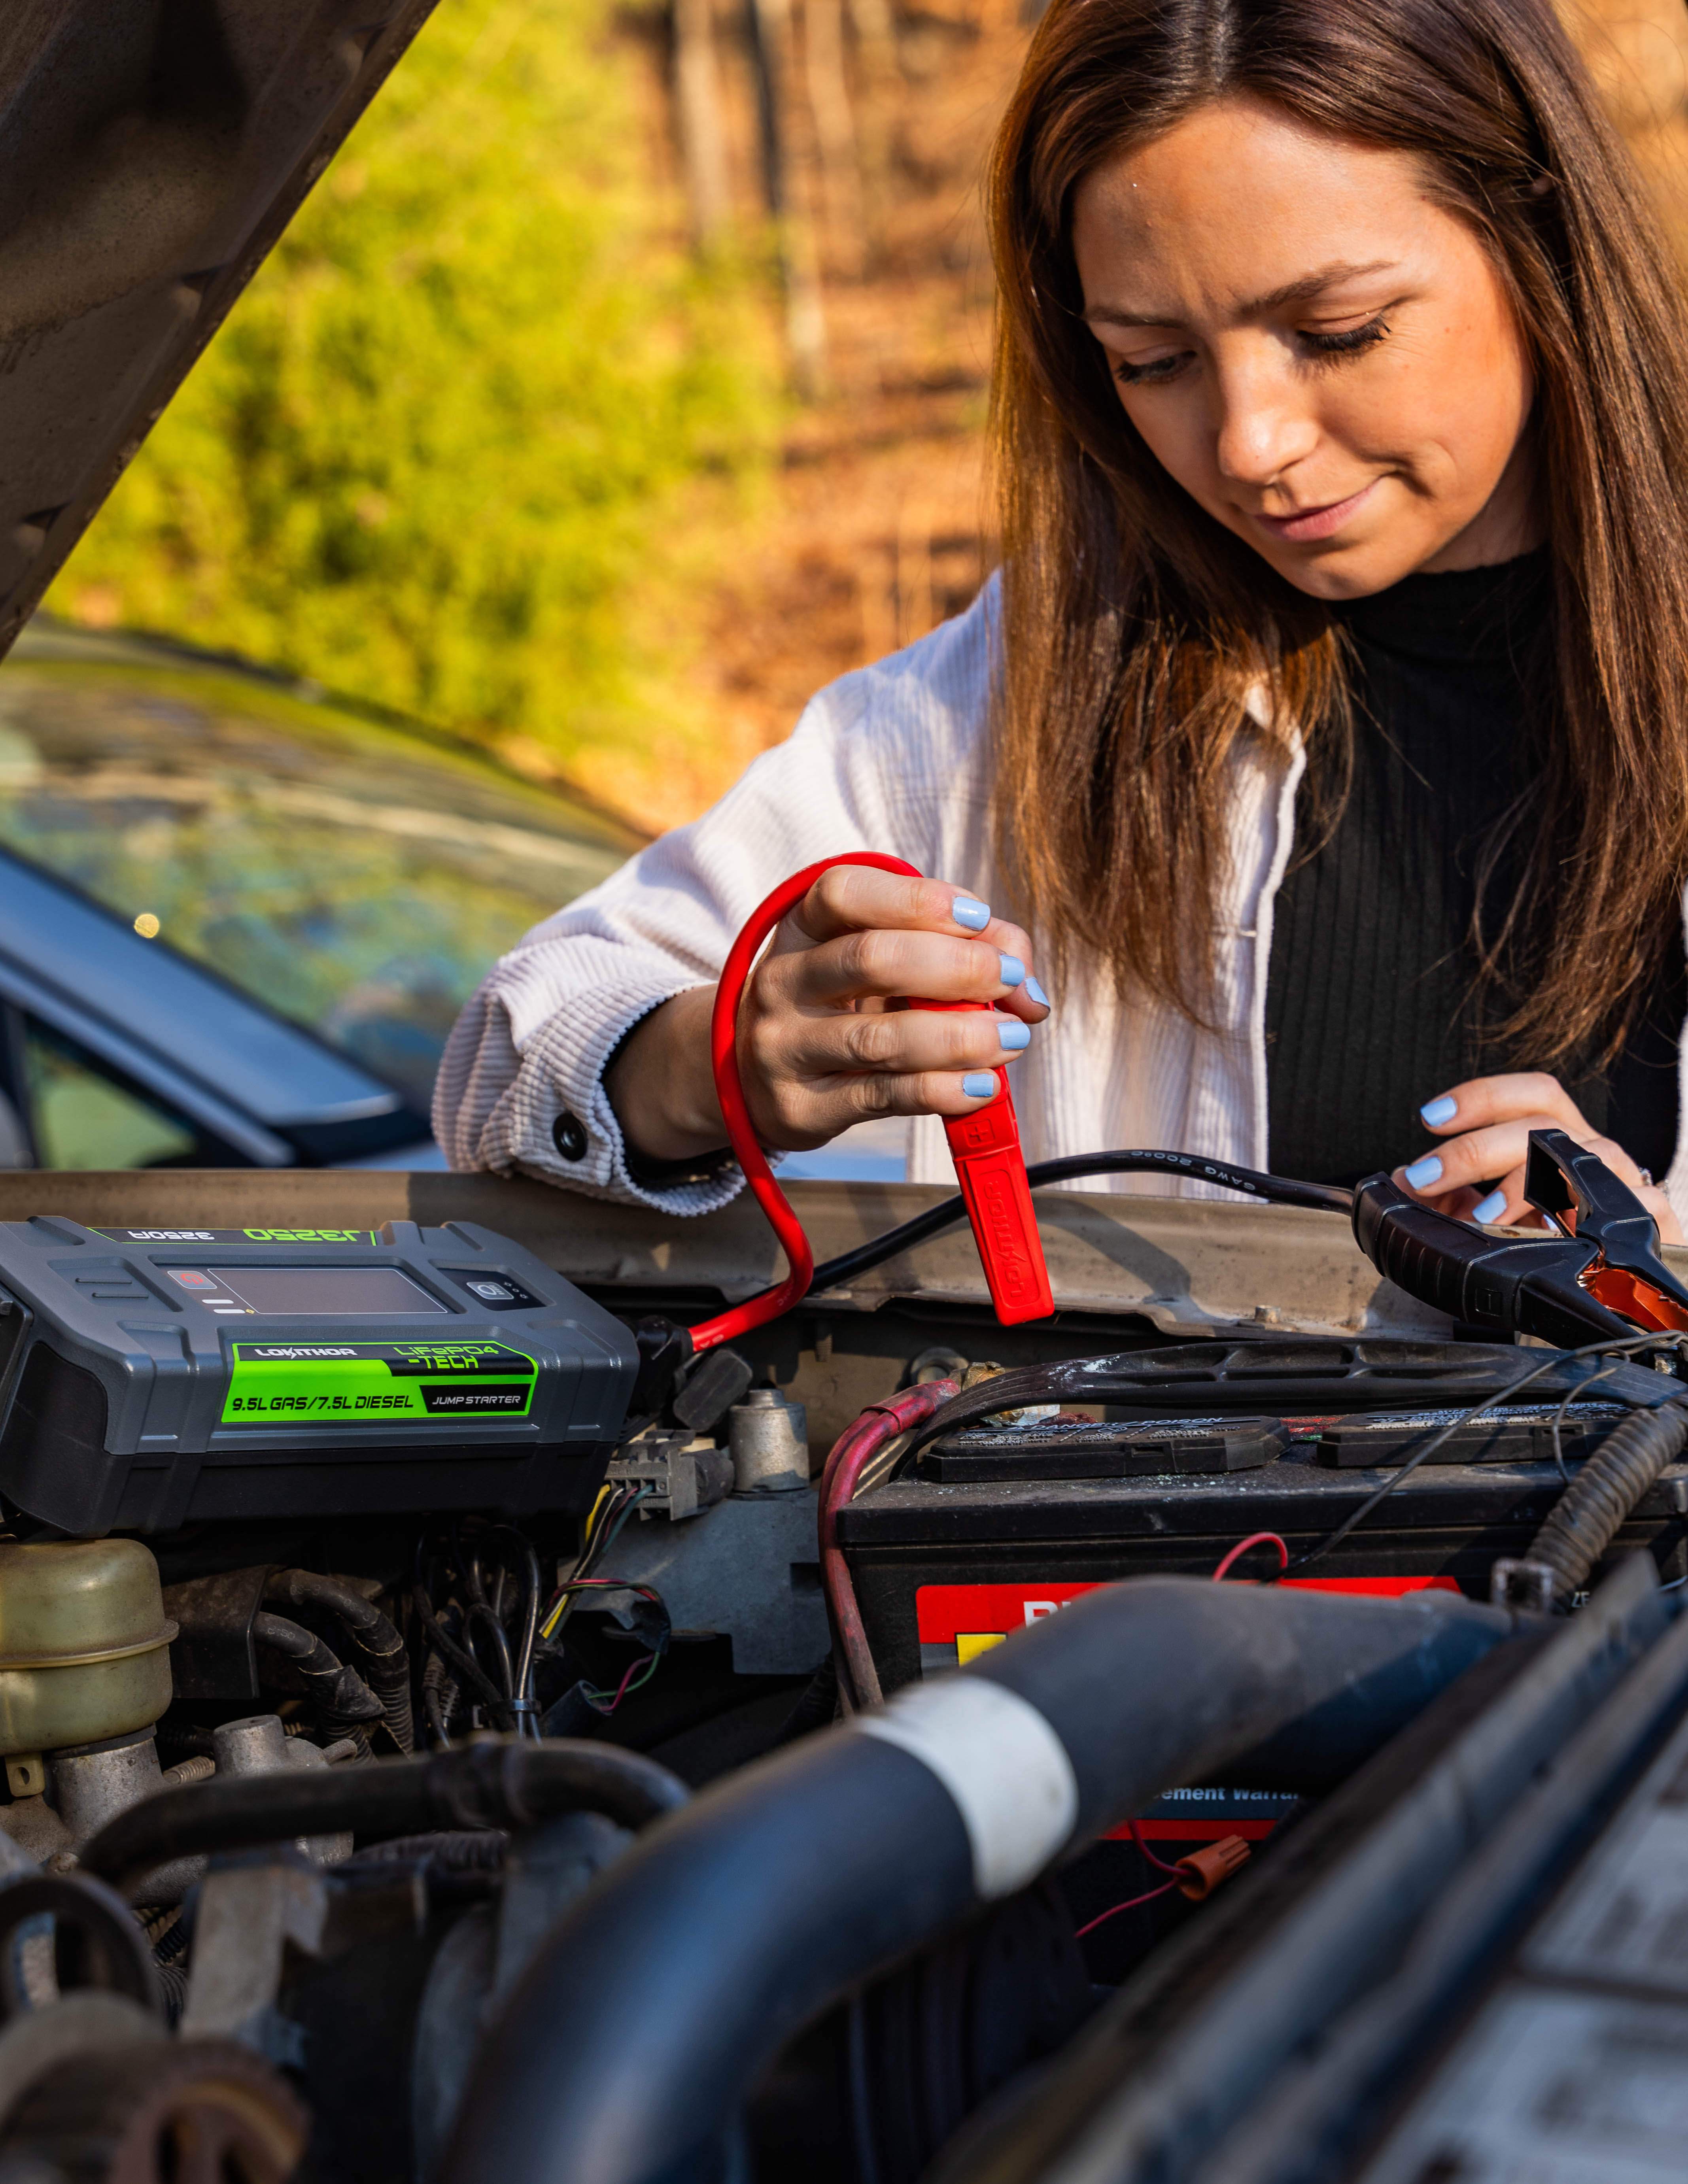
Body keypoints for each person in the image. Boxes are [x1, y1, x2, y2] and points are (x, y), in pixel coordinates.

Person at [436, 0, 1688, 1244]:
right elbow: (508, 1055)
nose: (1251, 444)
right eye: (1153, 361)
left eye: (1337, 332)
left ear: (1542, 242)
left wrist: (1653, 1271)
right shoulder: (1046, 670)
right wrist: (719, 1068)